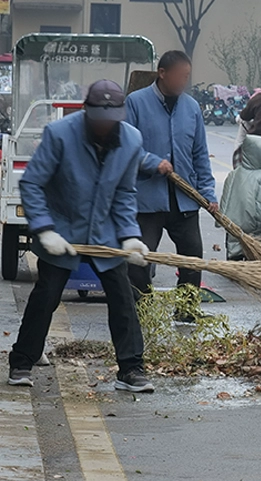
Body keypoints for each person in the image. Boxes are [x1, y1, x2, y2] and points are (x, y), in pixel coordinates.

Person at [8, 81, 153, 392]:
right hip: (63, 229)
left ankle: (131, 369)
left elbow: (125, 193)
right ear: (86, 111)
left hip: (105, 233)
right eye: (99, 117)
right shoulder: (60, 134)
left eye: (111, 118)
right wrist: (45, 229)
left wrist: (129, 236)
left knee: (123, 299)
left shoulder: (131, 140)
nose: (105, 124)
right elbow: (32, 184)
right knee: (46, 296)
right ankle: (22, 362)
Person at [125, 50, 218, 296]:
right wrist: (152, 162)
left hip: (184, 199)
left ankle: (186, 312)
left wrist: (208, 193)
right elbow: (126, 149)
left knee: (192, 260)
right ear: (162, 73)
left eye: (186, 76)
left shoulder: (192, 108)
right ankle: (141, 310)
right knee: (139, 261)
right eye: (179, 75)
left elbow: (200, 154)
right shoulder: (136, 102)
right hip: (147, 200)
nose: (182, 81)